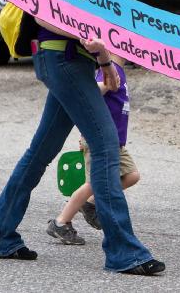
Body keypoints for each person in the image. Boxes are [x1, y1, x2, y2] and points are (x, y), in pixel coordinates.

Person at [0, 0, 165, 275]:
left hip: (73, 60)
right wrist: (95, 48)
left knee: (41, 152)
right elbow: (44, 12)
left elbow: (92, 23)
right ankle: (123, 251)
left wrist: (105, 60)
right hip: (59, 57)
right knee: (105, 145)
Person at [47, 54, 140, 245]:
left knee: (131, 175)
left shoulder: (120, 70)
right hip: (99, 138)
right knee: (94, 182)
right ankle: (60, 222)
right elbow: (92, 93)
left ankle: (89, 204)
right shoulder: (108, 68)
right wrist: (106, 86)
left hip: (116, 141)